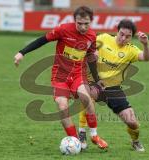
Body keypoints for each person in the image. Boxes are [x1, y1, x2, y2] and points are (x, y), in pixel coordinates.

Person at [14, 6, 108, 149]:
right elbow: (42, 40)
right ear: (74, 20)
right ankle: (75, 141)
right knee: (62, 106)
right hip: (60, 76)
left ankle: (94, 135)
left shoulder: (92, 36)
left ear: (91, 22)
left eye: (86, 24)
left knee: (86, 98)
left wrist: (97, 79)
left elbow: (90, 58)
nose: (83, 27)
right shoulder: (63, 29)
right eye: (79, 23)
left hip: (78, 74)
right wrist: (22, 53)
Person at [78, 19, 149, 151]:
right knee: (88, 96)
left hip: (114, 88)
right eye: (121, 34)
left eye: (128, 36)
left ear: (131, 37)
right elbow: (85, 46)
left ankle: (135, 141)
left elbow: (146, 58)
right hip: (94, 82)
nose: (123, 38)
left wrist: (145, 45)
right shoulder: (104, 38)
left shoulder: (131, 50)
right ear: (117, 31)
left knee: (132, 122)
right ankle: (82, 134)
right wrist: (91, 53)